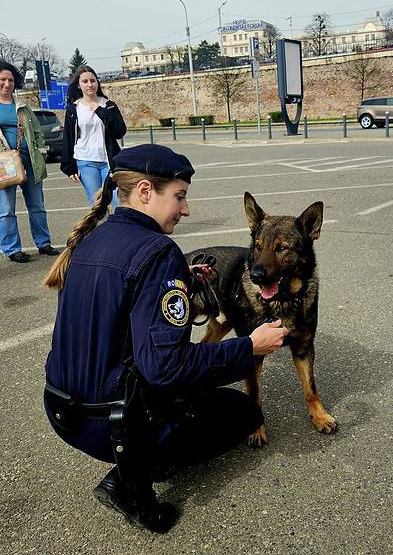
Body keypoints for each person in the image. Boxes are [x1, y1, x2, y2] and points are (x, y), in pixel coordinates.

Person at [42, 144, 288, 534]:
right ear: (144, 190)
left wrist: (185, 282)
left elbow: (121, 318)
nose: (185, 209)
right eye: (179, 196)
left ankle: (132, 462)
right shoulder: (158, 252)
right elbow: (166, 367)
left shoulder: (90, 241)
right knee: (244, 413)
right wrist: (249, 347)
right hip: (109, 424)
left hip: (63, 410)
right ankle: (132, 486)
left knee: (170, 380)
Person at [0, 60, 59, 263]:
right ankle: (12, 249)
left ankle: (43, 243)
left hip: (29, 161)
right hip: (2, 164)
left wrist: (41, 152)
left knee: (37, 205)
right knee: (6, 209)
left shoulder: (22, 106)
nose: (7, 84)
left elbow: (36, 131)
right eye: (2, 79)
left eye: (10, 80)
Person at [61, 65, 126, 207]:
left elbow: (119, 132)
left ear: (97, 82)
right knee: (96, 204)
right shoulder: (74, 109)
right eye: (85, 81)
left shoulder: (108, 105)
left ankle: (119, 229)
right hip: (85, 161)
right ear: (78, 85)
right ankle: (100, 229)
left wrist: (100, 112)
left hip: (108, 161)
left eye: (93, 80)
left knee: (118, 202)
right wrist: (69, 166)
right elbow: (68, 137)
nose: (90, 84)